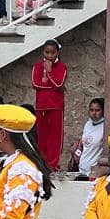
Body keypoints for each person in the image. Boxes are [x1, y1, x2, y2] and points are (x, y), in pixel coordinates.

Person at [31, 39, 67, 171]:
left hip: (56, 106)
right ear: (43, 52)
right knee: (42, 137)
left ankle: (52, 164)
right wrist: (54, 86)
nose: (50, 56)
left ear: (57, 52)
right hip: (41, 106)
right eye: (47, 52)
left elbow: (58, 84)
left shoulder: (62, 67)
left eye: (53, 53)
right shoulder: (37, 66)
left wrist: (49, 72)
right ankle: (42, 163)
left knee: (55, 137)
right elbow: (35, 84)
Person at [73, 97, 104, 178]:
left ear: (103, 111)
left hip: (93, 172)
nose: (94, 113)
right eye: (91, 110)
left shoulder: (105, 126)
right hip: (81, 169)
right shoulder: (88, 124)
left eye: (97, 110)